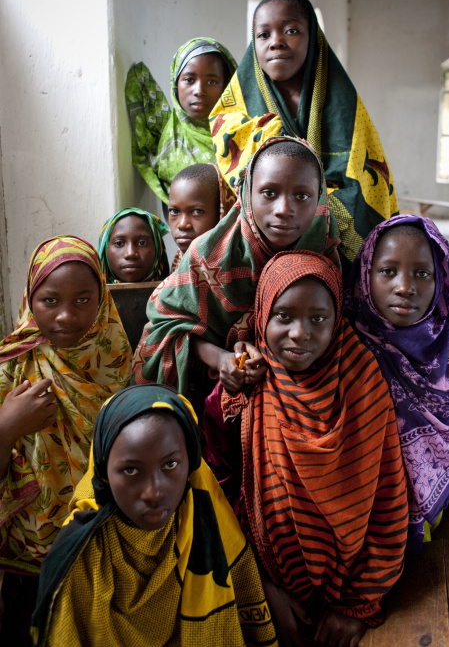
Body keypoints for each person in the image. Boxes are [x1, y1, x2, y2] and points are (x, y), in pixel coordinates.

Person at [204, 251, 408, 647]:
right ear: (262, 315)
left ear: (338, 320)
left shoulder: (362, 381)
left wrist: (357, 606)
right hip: (261, 584)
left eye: (318, 319)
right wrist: (259, 587)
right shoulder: (244, 388)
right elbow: (216, 495)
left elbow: (389, 500)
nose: (300, 333)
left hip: (349, 594)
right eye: (283, 316)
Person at [31, 383, 279, 647]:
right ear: (104, 471)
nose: (153, 493)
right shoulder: (79, 556)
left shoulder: (208, 522)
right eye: (130, 471)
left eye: (170, 465)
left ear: (191, 462)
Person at [133, 136, 340, 401]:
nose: (284, 210)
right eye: (269, 193)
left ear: (320, 199)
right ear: (246, 192)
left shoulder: (327, 255)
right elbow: (167, 327)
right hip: (209, 395)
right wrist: (221, 359)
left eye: (302, 196)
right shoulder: (208, 256)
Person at [348, 215, 449, 572]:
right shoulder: (349, 347)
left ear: (442, 278)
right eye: (388, 271)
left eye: (422, 273)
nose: (405, 287)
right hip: (369, 531)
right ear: (366, 275)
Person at [0, 236, 132, 645]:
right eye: (50, 300)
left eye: (82, 300)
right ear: (29, 299)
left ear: (102, 300)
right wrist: (7, 427)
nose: (65, 317)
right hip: (29, 558)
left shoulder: (118, 363)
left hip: (103, 548)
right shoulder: (11, 369)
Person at [210, 0, 398, 271]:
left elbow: (364, 184)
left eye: (291, 30)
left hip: (329, 235)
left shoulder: (341, 103)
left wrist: (311, 207)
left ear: (313, 38)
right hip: (260, 231)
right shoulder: (237, 105)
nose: (276, 42)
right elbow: (234, 173)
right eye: (263, 34)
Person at [126, 37, 237, 203]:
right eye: (189, 80)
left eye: (211, 81)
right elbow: (138, 77)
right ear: (175, 84)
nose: (199, 90)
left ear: (227, 86)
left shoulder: (244, 135)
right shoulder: (166, 138)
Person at [167, 163, 235, 272]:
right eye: (174, 211)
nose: (182, 224)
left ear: (223, 212)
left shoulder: (240, 269)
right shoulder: (178, 267)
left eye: (197, 212)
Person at [97, 207, 170, 283]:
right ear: (104, 250)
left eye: (142, 243)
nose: (130, 254)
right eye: (119, 243)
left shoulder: (177, 293)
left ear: (158, 249)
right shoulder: (92, 294)